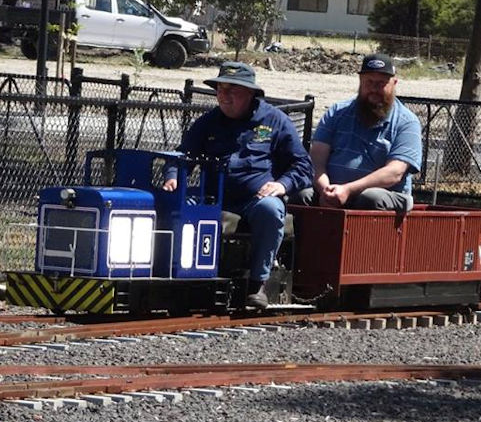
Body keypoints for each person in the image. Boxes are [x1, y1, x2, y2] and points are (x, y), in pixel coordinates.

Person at [163, 62, 312, 309]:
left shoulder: (276, 121)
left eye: (232, 90)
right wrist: (174, 176)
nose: (224, 96)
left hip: (255, 199)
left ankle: (258, 284)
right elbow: (182, 156)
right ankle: (179, 277)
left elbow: (303, 166)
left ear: (250, 93)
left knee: (271, 210)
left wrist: (282, 185)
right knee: (177, 204)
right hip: (214, 196)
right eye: (220, 90)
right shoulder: (208, 122)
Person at [294, 53, 422, 212]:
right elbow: (316, 159)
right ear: (360, 82)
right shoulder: (337, 112)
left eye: (381, 83)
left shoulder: (407, 122)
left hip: (387, 196)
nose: (374, 89)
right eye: (369, 82)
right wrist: (326, 190)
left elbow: (394, 172)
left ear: (394, 83)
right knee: (302, 194)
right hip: (334, 191)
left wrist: (348, 190)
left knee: (370, 198)